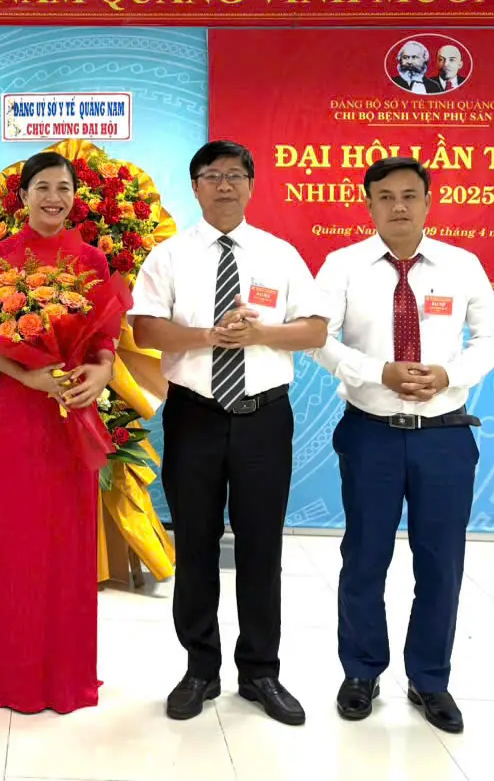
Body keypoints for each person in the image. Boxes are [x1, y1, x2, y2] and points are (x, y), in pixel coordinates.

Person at [130, 140, 327, 724]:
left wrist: (260, 335)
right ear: (195, 187)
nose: (224, 185)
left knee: (262, 547)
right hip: (195, 415)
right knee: (195, 544)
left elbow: (314, 331)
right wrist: (208, 337)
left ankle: (261, 672)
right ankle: (200, 669)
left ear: (251, 185)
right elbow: (145, 330)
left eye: (235, 175)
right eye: (212, 176)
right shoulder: (168, 256)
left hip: (264, 417)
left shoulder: (279, 254)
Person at [310, 156, 494, 733]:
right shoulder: (343, 265)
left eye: (410, 195)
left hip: (444, 436)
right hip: (370, 433)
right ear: (368, 204)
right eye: (386, 196)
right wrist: (378, 372)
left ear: (427, 201)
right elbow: (317, 337)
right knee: (364, 557)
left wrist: (449, 375)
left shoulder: (462, 264)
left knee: (441, 562)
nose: (399, 206)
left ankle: (430, 679)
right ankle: (361, 672)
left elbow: (492, 338)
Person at [0, 151, 128, 714]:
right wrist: (31, 375)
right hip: (20, 411)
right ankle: (6, 674)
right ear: (24, 196)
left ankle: (64, 676)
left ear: (76, 195)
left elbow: (105, 337)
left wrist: (100, 372)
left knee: (67, 536)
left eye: (64, 188)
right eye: (43, 187)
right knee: (15, 534)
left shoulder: (93, 260)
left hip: (72, 405)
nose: (54, 197)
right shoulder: (0, 257)